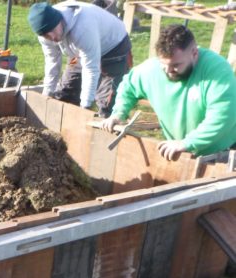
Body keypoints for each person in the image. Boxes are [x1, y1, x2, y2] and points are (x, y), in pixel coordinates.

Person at [101, 24, 236, 161]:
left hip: (220, 152)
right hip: (179, 149)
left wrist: (187, 143)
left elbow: (222, 116)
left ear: (194, 53)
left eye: (176, 65)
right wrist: (118, 113)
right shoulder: (151, 70)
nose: (168, 71)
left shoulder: (217, 71)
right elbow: (128, 87)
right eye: (163, 64)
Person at [27, 1, 132, 117]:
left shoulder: (82, 28)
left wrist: (85, 106)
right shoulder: (45, 36)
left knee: (106, 104)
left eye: (52, 31)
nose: (52, 37)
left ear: (59, 21)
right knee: (65, 93)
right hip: (77, 53)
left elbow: (91, 68)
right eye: (46, 35)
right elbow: (52, 64)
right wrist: (47, 95)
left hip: (113, 47)